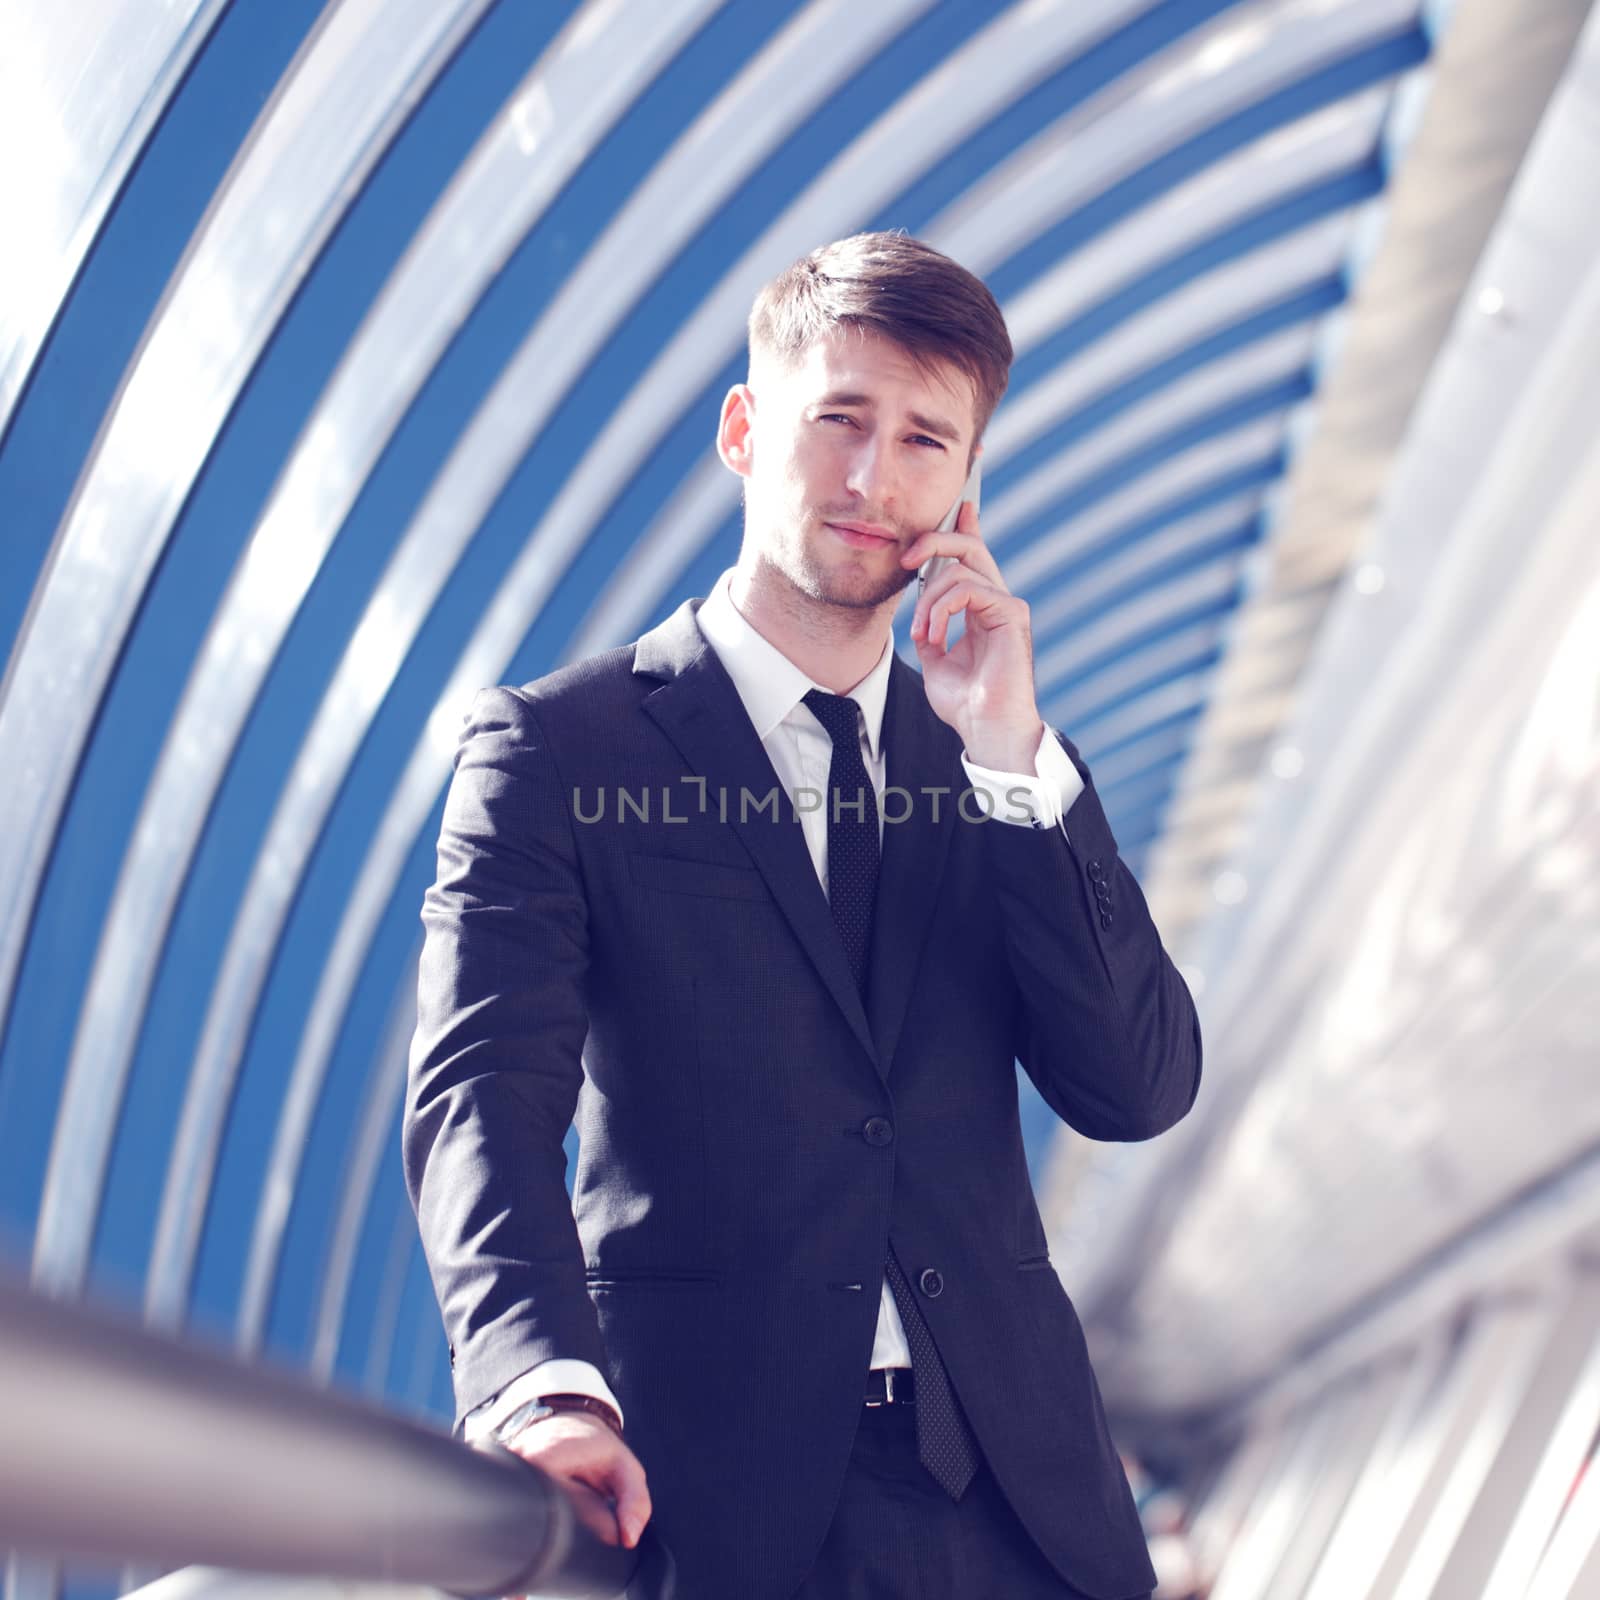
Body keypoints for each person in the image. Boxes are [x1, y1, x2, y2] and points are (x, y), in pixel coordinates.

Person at [404, 231, 1202, 1600]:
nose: (872, 479)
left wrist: (1013, 754)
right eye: (839, 420)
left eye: (922, 441)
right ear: (744, 429)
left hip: (1027, 1509)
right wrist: (537, 1382)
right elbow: (484, 1091)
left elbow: (1133, 1087)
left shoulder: (991, 760)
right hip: (719, 1502)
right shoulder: (558, 750)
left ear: (966, 489)